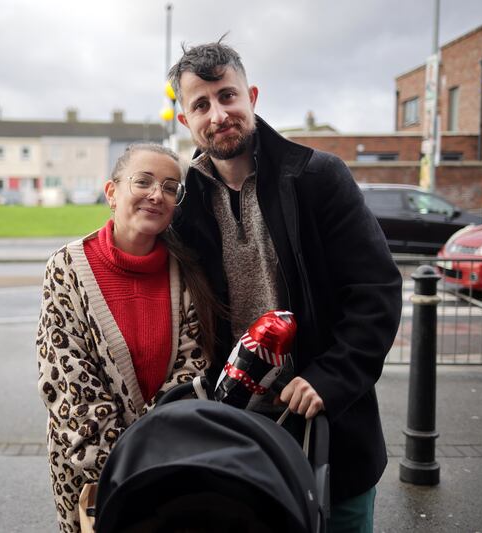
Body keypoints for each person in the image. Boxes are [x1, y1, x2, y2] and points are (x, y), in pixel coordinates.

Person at [168, 39, 403, 532]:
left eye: (228, 96)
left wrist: (329, 379)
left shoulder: (317, 176)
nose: (218, 114)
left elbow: (375, 291)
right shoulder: (186, 204)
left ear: (251, 95)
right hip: (234, 432)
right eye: (201, 104)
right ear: (185, 119)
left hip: (325, 427)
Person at [36, 143, 215, 533]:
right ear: (112, 191)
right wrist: (123, 473)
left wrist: (154, 466)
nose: (157, 195)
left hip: (166, 472)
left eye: (170, 188)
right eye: (143, 181)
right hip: (91, 475)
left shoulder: (187, 273)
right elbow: (70, 387)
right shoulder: (66, 268)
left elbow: (191, 375)